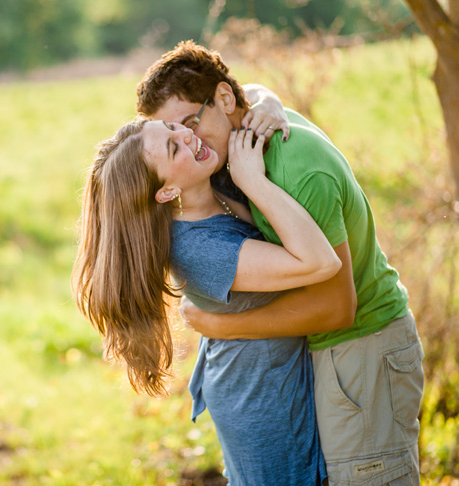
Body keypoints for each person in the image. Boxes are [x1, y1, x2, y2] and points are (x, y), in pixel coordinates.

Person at [136, 40, 424, 486]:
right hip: (332, 354)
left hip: (362, 345)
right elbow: (239, 94)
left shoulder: (290, 170)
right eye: (172, 135)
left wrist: (221, 326)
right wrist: (266, 98)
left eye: (189, 124)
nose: (188, 138)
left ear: (226, 101)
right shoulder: (233, 150)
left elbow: (336, 307)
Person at [72, 115, 340, 484]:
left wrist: (270, 104)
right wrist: (254, 181)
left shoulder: (215, 190)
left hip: (272, 383)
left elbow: (241, 94)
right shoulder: (198, 249)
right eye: (173, 146)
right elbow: (321, 262)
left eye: (172, 126)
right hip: (262, 404)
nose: (186, 134)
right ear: (165, 192)